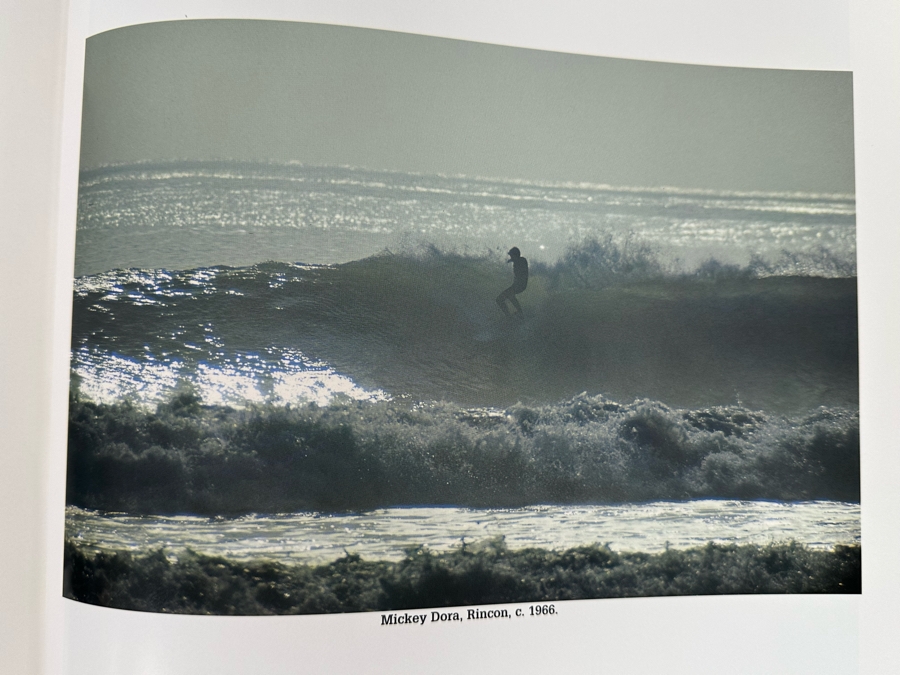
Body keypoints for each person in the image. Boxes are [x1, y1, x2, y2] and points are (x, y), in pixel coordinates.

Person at [496, 247, 528, 316]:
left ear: (515, 255)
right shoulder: (518, 261)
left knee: (502, 298)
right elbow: (516, 260)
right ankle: (512, 314)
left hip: (520, 285)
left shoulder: (522, 261)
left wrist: (513, 260)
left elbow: (521, 267)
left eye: (511, 255)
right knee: (500, 299)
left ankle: (517, 314)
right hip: (517, 285)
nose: (510, 257)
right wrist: (511, 260)